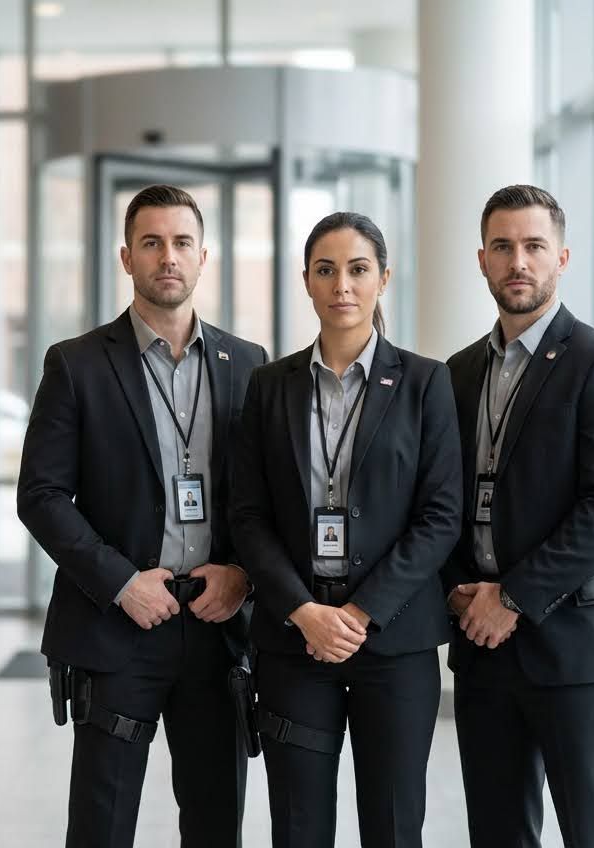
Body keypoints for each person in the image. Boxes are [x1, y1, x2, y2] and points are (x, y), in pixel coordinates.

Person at [17, 184, 269, 847]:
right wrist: (121, 582)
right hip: (116, 626)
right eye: (151, 243)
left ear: (203, 256)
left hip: (216, 630)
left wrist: (242, 573)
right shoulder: (76, 365)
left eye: (182, 243)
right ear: (126, 258)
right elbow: (39, 495)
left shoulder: (248, 365)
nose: (168, 257)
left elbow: (263, 497)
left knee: (217, 823)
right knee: (101, 824)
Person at [230, 212, 463, 848]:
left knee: (393, 824)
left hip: (394, 646)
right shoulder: (268, 386)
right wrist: (303, 610)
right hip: (294, 644)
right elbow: (247, 516)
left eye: (358, 269)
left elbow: (440, 516)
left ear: (383, 278)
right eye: (326, 270)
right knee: (298, 826)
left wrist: (361, 611)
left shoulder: (424, 383)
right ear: (306, 280)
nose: (343, 285)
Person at [443, 185, 594, 848]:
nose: (518, 261)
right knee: (498, 835)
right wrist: (458, 589)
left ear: (562, 256)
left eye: (534, 246)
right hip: (483, 648)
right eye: (503, 247)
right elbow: (441, 500)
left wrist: (517, 596)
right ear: (482, 260)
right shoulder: (458, 373)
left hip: (576, 647)